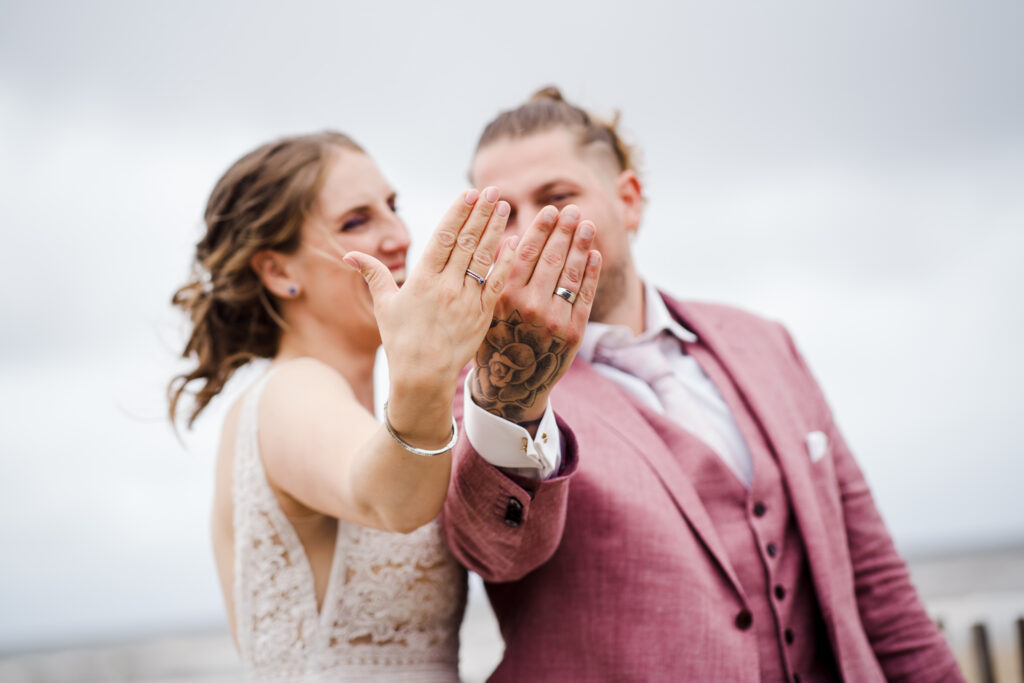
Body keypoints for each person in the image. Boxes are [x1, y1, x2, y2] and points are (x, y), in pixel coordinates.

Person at [440, 89, 965, 682]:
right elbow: (496, 553)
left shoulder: (765, 343)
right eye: (504, 213)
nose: (534, 228)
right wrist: (517, 394)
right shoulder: (481, 387)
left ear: (628, 201)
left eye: (557, 198)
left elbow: (875, 579)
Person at [167, 130, 600, 681]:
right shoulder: (287, 393)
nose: (397, 236)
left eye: (392, 208)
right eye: (356, 221)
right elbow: (389, 503)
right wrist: (428, 377)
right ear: (278, 272)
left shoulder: (357, 416)